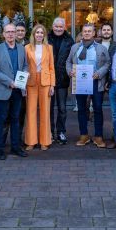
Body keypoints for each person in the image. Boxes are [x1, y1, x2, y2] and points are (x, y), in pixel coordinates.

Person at [0, 23, 28, 159]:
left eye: (13, 32)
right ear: (3, 34)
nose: (11, 34)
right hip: (4, 90)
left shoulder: (22, 49)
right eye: (8, 32)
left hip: (18, 91)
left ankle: (15, 147)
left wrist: (23, 77)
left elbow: (25, 66)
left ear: (16, 34)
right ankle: (0, 149)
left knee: (16, 119)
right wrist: (8, 82)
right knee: (2, 120)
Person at [67, 23, 110, 147]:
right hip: (80, 82)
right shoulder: (75, 47)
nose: (87, 33)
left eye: (89, 31)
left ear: (94, 33)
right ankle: (84, 135)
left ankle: (98, 136)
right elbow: (68, 62)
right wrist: (70, 71)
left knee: (97, 109)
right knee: (81, 109)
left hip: (96, 82)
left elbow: (108, 63)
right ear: (82, 32)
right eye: (84, 31)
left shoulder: (101, 48)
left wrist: (99, 73)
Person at [24, 24, 55, 151]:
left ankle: (45, 141)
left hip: (45, 82)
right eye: (37, 32)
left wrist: (52, 84)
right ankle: (31, 141)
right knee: (30, 112)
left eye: (42, 33)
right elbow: (24, 66)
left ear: (44, 35)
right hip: (30, 82)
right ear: (33, 34)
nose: (39, 35)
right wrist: (23, 85)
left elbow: (51, 67)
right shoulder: (26, 48)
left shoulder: (49, 48)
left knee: (45, 112)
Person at [47, 17, 73, 145]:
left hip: (63, 79)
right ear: (52, 26)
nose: (58, 29)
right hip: (48, 79)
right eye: (56, 26)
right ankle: (50, 132)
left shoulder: (69, 40)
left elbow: (72, 59)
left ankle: (61, 131)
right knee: (49, 108)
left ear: (64, 27)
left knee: (62, 108)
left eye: (60, 27)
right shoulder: (46, 38)